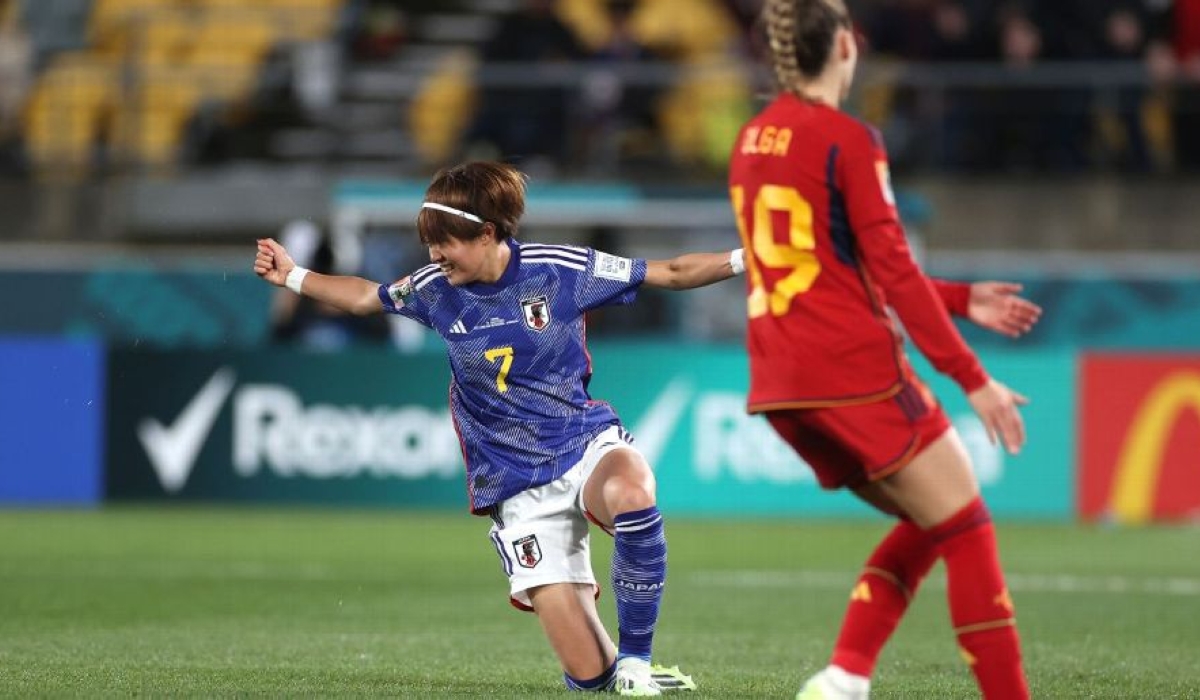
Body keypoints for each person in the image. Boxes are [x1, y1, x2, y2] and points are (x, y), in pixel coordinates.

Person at [254, 161, 745, 696]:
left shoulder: (560, 269)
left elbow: (670, 273)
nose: (434, 257)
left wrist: (751, 258)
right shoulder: (435, 288)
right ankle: (616, 673)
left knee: (632, 492)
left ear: (487, 233)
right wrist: (293, 276)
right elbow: (364, 296)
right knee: (590, 679)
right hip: (515, 486)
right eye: (429, 245)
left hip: (582, 445)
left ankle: (638, 663)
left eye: (445, 244)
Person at [729, 1, 1041, 698]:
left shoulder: (751, 139)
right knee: (967, 530)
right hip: (853, 373)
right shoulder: (847, 137)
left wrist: (959, 296)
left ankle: (844, 678)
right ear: (845, 43)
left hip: (781, 382)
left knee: (930, 519)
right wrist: (974, 378)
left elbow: (834, 263)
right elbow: (892, 269)